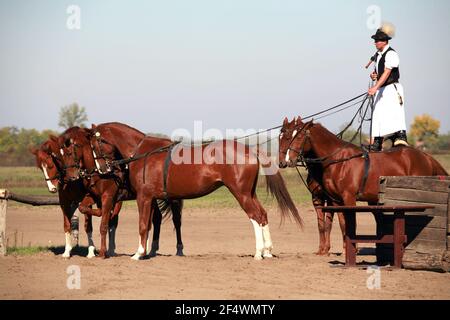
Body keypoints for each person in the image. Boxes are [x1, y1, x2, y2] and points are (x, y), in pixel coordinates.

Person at [368, 27, 408, 151]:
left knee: (394, 112)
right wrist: (374, 76)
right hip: (381, 88)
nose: (375, 43)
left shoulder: (391, 54)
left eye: (378, 40)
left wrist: (375, 87)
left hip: (391, 88)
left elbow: (387, 72)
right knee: (377, 114)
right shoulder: (379, 56)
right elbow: (380, 74)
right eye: (375, 40)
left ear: (385, 41)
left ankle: (400, 136)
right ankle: (377, 141)